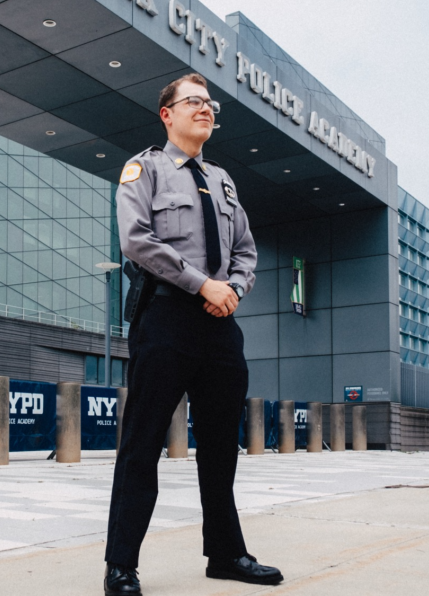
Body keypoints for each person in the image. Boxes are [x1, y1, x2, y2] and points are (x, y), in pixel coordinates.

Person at [104, 73, 283, 596]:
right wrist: (202, 282)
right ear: (167, 114)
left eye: (210, 103)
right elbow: (135, 239)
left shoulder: (224, 180)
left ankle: (226, 553)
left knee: (222, 446)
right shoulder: (146, 169)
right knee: (142, 443)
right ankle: (121, 566)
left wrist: (233, 288)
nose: (206, 109)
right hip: (166, 319)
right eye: (194, 102)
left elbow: (247, 248)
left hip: (219, 326)